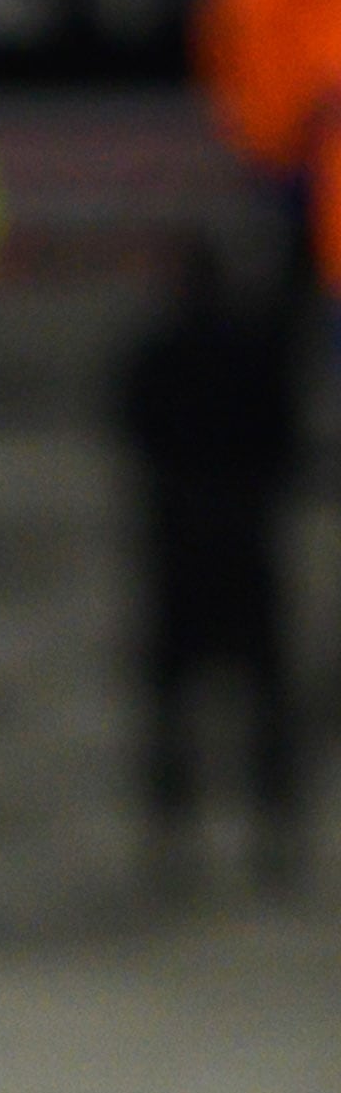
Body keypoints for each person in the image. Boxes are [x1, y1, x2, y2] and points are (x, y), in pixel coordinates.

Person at [112, 232, 308, 894]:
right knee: (265, 693)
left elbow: (132, 432)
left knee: (173, 696)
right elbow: (288, 441)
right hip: (247, 536)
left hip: (177, 538)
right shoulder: (258, 352)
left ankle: (173, 833)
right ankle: (276, 831)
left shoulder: (156, 353)